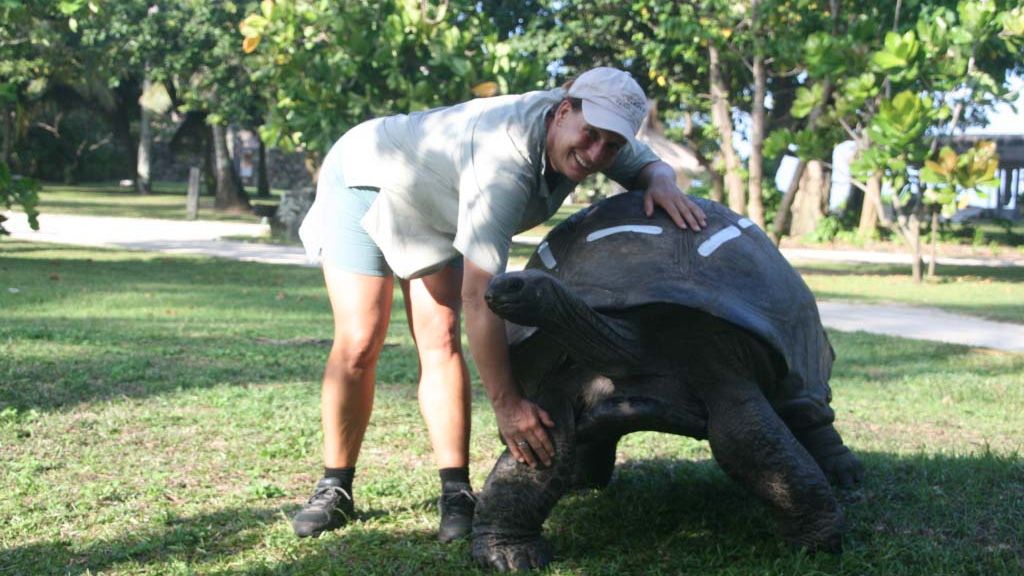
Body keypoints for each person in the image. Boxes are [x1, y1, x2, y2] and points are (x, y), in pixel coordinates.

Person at [291, 67, 707, 541]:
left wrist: (662, 182)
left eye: (610, 146)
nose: (595, 154)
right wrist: (508, 404)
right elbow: (480, 297)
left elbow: (650, 165)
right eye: (589, 136)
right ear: (563, 109)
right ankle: (335, 488)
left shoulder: (599, 129)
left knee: (439, 336)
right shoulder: (503, 162)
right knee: (361, 338)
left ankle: (455, 492)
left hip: (439, 202)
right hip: (367, 176)